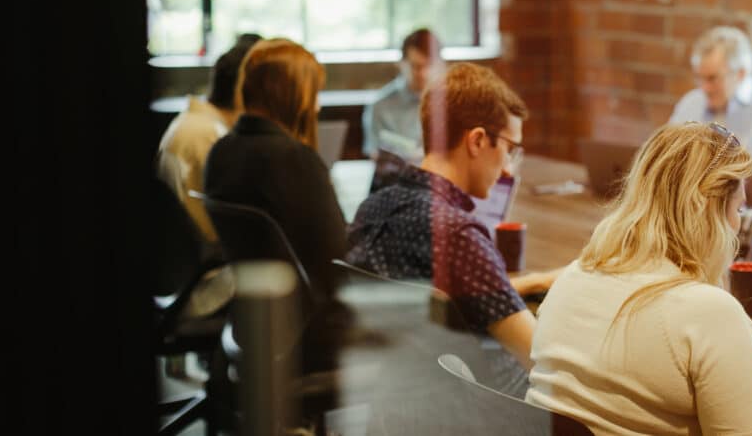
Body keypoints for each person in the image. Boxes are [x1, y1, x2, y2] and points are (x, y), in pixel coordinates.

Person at [526, 122, 752, 436]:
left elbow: (632, 370)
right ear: (707, 210)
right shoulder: (710, 313)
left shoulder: (574, 276)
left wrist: (730, 362)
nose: (736, 225)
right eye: (738, 210)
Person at [347, 62, 558, 369]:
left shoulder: (373, 208)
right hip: (484, 404)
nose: (508, 169)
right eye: (510, 149)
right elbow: (537, 359)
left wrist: (535, 280)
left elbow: (448, 298)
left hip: (395, 398)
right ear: (477, 141)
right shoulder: (457, 234)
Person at [204, 38, 349, 371]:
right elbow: (337, 262)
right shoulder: (295, 161)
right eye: (314, 94)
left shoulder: (221, 152)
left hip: (253, 322)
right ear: (293, 95)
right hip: (308, 335)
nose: (316, 108)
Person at [154, 32, 261, 321]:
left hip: (188, 271)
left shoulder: (197, 124)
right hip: (201, 283)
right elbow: (232, 230)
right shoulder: (208, 137)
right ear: (243, 91)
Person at [669, 26, 752, 194]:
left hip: (749, 212)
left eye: (713, 78)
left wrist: (729, 184)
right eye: (699, 77)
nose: (704, 87)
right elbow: (669, 161)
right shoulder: (690, 103)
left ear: (740, 73)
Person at [361, 27, 445, 159]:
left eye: (429, 65)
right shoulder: (380, 107)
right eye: (416, 66)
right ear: (401, 63)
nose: (423, 74)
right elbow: (376, 156)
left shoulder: (451, 103)